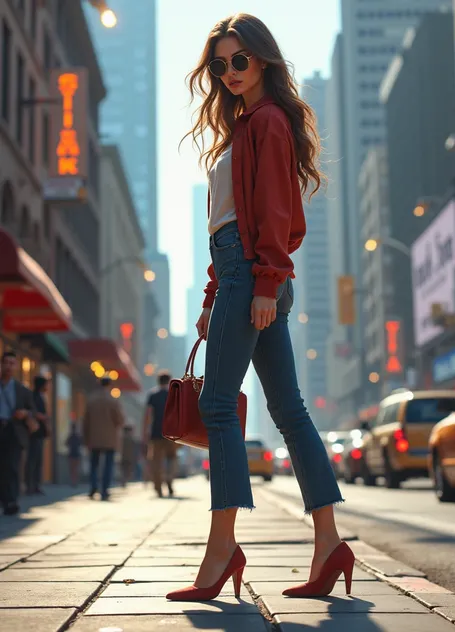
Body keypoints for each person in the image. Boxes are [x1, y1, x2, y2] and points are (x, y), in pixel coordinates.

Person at [166, 14, 354, 603]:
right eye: (220, 65)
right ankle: (328, 544)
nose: (229, 73)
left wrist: (265, 283)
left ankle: (222, 549)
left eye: (239, 60)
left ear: (265, 60)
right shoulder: (246, 126)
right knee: (289, 410)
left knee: (220, 405)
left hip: (254, 275)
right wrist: (212, 298)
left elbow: (272, 213)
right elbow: (230, 225)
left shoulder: (266, 123)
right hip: (243, 274)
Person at [0, 351, 37, 515]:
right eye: (5, 363)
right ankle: (4, 499)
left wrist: (25, 413)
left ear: (16, 366)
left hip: (14, 431)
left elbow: (32, 411)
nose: (8, 366)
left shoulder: (22, 390)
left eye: (12, 363)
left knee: (12, 466)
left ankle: (11, 501)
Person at [82, 377, 125, 501]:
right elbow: (120, 420)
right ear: (110, 385)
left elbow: (86, 421)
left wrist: (86, 438)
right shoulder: (112, 400)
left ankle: (93, 485)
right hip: (109, 438)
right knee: (108, 464)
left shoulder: (91, 399)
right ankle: (104, 490)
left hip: (94, 437)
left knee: (94, 463)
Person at [143, 371, 178, 498]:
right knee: (171, 458)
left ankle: (158, 487)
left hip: (156, 433)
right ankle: (169, 479)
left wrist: (145, 432)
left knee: (156, 461)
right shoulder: (173, 395)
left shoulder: (153, 395)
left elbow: (148, 415)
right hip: (172, 433)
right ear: (169, 381)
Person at [26, 376, 51, 496]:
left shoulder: (41, 397)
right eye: (46, 384)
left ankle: (35, 484)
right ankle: (30, 485)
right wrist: (41, 416)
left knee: (37, 460)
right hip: (34, 433)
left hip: (40, 432)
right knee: (33, 459)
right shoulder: (34, 396)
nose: (48, 387)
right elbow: (32, 412)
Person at [66, 423, 82, 487]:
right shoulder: (78, 437)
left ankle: (73, 481)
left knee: (72, 469)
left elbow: (66, 443)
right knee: (75, 469)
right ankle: (75, 481)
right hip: (76, 454)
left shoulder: (70, 436)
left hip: (72, 453)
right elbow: (81, 443)